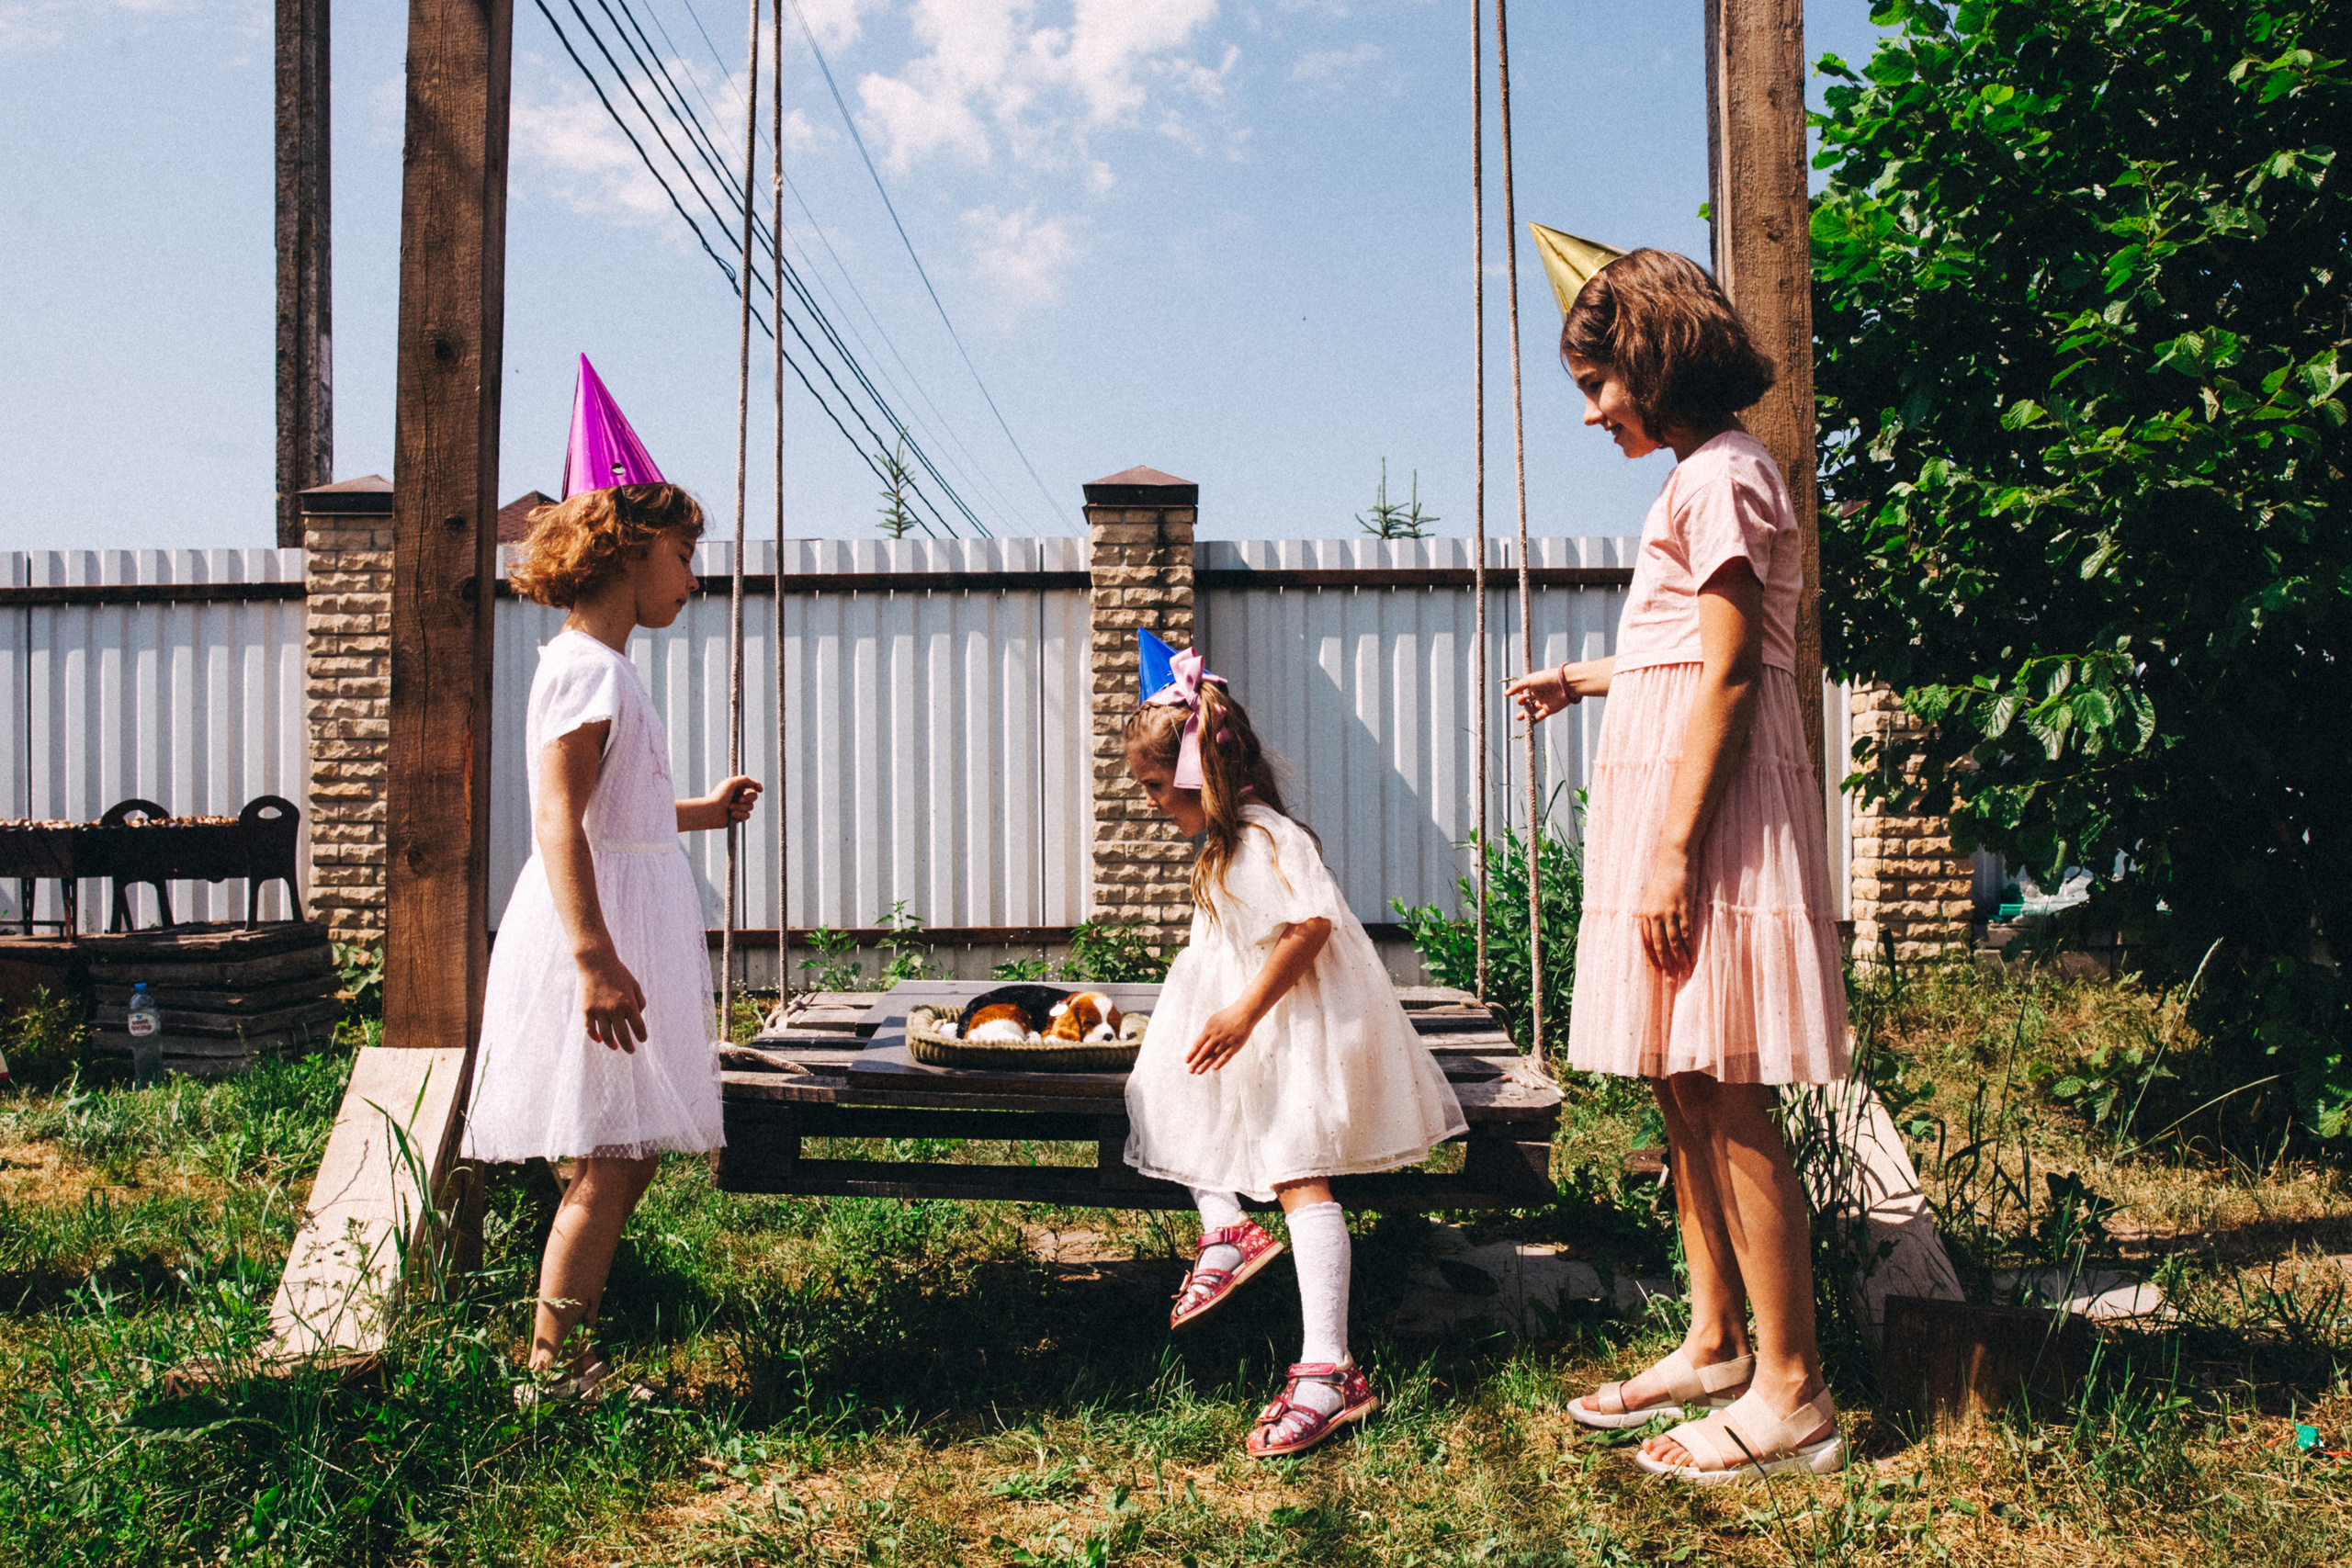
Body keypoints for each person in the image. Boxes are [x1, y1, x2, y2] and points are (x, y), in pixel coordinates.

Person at [1509, 248, 1849, 1483]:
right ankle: (1714, 1340)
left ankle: (1792, 1390)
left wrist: (1671, 853)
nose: (1592, 412)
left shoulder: (1726, 476)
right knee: (1681, 1079)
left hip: (1709, 822)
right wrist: (1583, 677)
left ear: (1653, 364)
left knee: (1727, 1080)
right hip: (1676, 812)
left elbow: (1735, 670)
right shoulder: (1699, 477)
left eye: (1598, 385)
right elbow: (1680, 650)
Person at [1120, 631, 1467, 1459]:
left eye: (1155, 785)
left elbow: (1311, 926)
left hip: (1295, 1030)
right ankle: (1227, 1227)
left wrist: (1243, 1013)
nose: (1150, 802)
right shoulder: (1229, 842)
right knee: (1164, 1094)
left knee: (1296, 1171)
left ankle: (1329, 1367)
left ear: (1198, 771)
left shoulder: (1266, 836)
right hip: (1255, 1028)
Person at [462, 462, 761, 1400]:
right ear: (629, 548)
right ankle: (553, 1366)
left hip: (629, 921)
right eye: (685, 554)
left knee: (625, 1158)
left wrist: (701, 813)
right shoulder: (585, 669)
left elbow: (616, 810)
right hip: (600, 934)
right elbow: (559, 819)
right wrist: (593, 955)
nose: (693, 578)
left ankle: (568, 1357)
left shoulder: (606, 668)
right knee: (613, 1155)